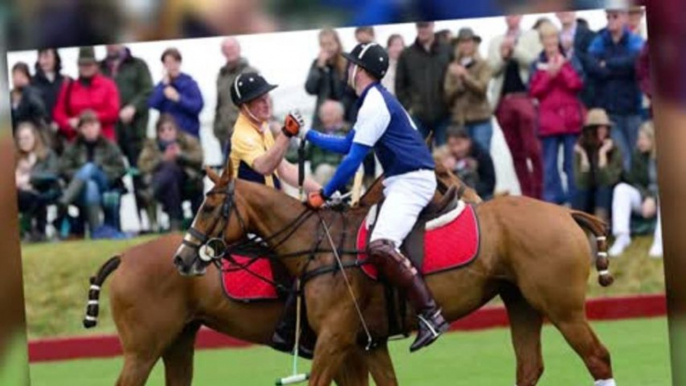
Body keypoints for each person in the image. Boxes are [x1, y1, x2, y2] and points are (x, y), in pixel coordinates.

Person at [304, 43, 449, 352]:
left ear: (361, 70)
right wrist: (308, 135)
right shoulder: (373, 100)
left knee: (380, 245)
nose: (347, 69)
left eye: (351, 64)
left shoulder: (374, 104)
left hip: (411, 181)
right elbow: (348, 144)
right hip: (399, 180)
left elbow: (352, 161)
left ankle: (430, 313)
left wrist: (324, 193)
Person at [229, 72, 321, 192]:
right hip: (249, 206)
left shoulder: (261, 126)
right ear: (244, 106)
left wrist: (323, 191)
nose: (267, 103)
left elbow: (284, 168)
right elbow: (264, 167)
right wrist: (286, 133)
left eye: (266, 96)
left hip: (265, 200)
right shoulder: (242, 135)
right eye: (259, 100)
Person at [529, 22, 585, 205]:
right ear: (542, 41)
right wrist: (549, 76)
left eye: (553, 37)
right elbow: (533, 91)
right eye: (547, 38)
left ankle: (576, 203)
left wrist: (561, 70)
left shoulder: (570, 59)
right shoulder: (536, 64)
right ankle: (553, 204)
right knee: (549, 166)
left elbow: (577, 84)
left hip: (570, 121)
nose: (551, 41)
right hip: (548, 123)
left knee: (571, 165)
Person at [488, 15, 543, 199]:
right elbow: (492, 69)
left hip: (526, 98)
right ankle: (528, 196)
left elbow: (535, 61)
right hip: (503, 102)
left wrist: (515, 50)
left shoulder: (532, 36)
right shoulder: (496, 41)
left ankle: (539, 194)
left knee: (534, 150)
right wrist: (503, 57)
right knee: (516, 154)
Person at [587, 8, 645, 172]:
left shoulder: (634, 40)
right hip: (610, 110)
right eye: (608, 16)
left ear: (625, 17)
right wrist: (618, 67)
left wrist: (607, 64)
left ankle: (640, 191)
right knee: (622, 153)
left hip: (632, 108)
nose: (610, 20)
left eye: (615, 16)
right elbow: (591, 66)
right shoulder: (600, 40)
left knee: (637, 152)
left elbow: (634, 63)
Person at [58, 111, 126, 237]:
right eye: (85, 127)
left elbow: (120, 168)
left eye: (93, 125)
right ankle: (96, 232)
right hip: (82, 190)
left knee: (90, 168)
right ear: (80, 129)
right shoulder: (73, 147)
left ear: (99, 126)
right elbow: (63, 169)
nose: (89, 130)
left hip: (106, 184)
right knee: (90, 186)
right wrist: (83, 175)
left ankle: (64, 201)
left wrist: (100, 169)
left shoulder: (109, 145)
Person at [138, 115, 204, 231]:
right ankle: (175, 224)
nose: (166, 133)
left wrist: (180, 155)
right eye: (162, 130)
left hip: (188, 182)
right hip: (167, 188)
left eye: (170, 129)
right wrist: (162, 160)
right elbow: (142, 165)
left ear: (176, 130)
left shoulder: (188, 140)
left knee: (171, 169)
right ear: (158, 133)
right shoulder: (152, 145)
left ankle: (151, 192)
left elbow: (199, 158)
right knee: (170, 177)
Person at [608, 122, 662, 258]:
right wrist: (647, 198)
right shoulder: (638, 154)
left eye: (643, 139)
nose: (639, 142)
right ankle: (622, 236)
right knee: (621, 189)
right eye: (639, 138)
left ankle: (660, 241)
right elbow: (634, 181)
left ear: (653, 139)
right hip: (646, 201)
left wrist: (653, 198)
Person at [396, 22, 452, 146]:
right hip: (418, 116)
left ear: (432, 25)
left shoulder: (447, 50)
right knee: (420, 158)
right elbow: (400, 85)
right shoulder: (407, 54)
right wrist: (409, 107)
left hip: (444, 115)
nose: (423, 29)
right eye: (420, 26)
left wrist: (451, 104)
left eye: (426, 25)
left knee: (444, 158)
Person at [100, 45, 154, 173]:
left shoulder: (138, 65)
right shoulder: (99, 68)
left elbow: (148, 91)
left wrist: (133, 107)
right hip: (109, 134)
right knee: (111, 176)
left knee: (140, 175)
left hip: (135, 131)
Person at [53, 47, 121, 142]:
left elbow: (113, 112)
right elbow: (58, 113)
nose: (86, 67)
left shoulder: (108, 85)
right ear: (78, 66)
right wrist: (68, 123)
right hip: (76, 141)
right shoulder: (69, 87)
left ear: (96, 66)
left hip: (104, 141)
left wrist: (87, 121)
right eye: (83, 64)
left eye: (89, 64)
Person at [444, 27, 493, 151]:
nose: (465, 45)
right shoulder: (452, 68)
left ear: (474, 44)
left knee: (482, 157)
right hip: (460, 123)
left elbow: (482, 89)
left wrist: (465, 77)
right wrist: (459, 87)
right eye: (462, 42)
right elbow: (447, 95)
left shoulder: (484, 64)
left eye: (468, 41)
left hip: (480, 120)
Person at [572, 109, 623, 224]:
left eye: (605, 128)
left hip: (609, 194)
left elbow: (608, 180)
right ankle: (577, 227)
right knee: (581, 192)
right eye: (599, 128)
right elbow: (581, 182)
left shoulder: (614, 148)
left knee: (603, 190)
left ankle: (599, 227)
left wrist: (602, 155)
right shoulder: (580, 149)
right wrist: (584, 159)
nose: (603, 131)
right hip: (589, 193)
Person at [15, 122, 60, 242]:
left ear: (35, 137)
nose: (24, 142)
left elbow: (52, 174)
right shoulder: (15, 158)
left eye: (27, 138)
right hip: (20, 194)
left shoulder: (47, 154)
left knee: (35, 198)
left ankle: (35, 231)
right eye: (20, 139)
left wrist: (29, 178)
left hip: (44, 192)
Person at [305, 28, 357, 129]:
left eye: (330, 44)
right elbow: (310, 89)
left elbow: (352, 91)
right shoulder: (317, 64)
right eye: (323, 45)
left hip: (345, 116)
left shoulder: (348, 62)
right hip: (323, 118)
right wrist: (319, 68)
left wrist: (338, 108)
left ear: (337, 43)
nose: (327, 48)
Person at [214, 37, 258, 155]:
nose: (229, 51)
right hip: (225, 133)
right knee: (229, 170)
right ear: (222, 52)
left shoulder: (250, 72)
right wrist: (217, 127)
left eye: (232, 48)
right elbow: (219, 103)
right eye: (226, 49)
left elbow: (263, 101)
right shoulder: (221, 76)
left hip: (246, 132)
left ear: (239, 49)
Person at [149, 48, 205, 138]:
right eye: (168, 63)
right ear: (164, 65)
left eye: (175, 62)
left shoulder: (190, 83)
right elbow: (152, 103)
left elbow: (198, 106)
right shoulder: (161, 85)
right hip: (168, 137)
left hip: (189, 135)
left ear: (179, 63)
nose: (172, 66)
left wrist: (178, 98)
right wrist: (163, 86)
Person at [555, 11, 597, 108]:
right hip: (563, 100)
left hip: (587, 99)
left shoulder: (590, 35)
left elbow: (594, 65)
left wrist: (572, 51)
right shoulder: (553, 38)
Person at [444, 126, 496, 200]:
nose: (456, 149)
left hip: (478, 194)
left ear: (468, 141)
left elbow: (490, 182)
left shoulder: (481, 155)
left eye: (459, 144)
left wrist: (471, 191)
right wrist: (447, 170)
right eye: (452, 145)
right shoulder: (444, 157)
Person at [307, 100, 350, 185]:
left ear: (339, 115)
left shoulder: (348, 132)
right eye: (323, 114)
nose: (326, 118)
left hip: (338, 170)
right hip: (317, 172)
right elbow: (303, 153)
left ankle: (317, 196)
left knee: (323, 170)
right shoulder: (317, 133)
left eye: (329, 114)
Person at [31, 49, 66, 135]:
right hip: (41, 131)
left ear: (55, 58)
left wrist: (60, 123)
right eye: (40, 57)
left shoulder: (65, 81)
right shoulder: (32, 82)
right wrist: (47, 123)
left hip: (63, 129)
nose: (43, 61)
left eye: (46, 56)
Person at [10, 62, 49, 134]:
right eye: (16, 76)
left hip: (31, 133)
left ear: (27, 78)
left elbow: (40, 113)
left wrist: (27, 89)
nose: (19, 79)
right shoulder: (9, 96)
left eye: (22, 76)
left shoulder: (34, 94)